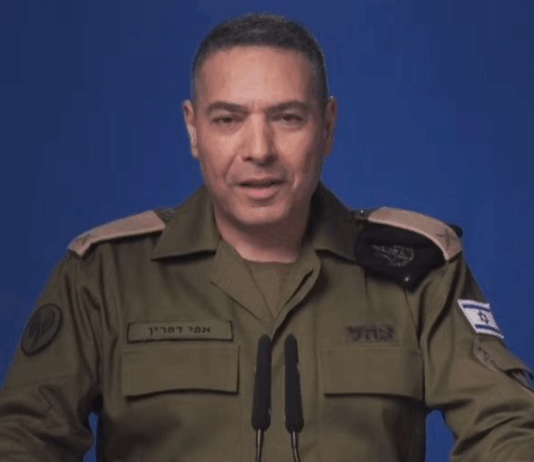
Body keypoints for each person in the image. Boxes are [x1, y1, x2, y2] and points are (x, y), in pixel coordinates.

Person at [1, 12, 533, 462]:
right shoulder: (104, 274)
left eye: (287, 118)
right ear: (193, 129)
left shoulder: (418, 271)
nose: (259, 150)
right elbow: (23, 439)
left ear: (327, 126)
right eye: (228, 119)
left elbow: (507, 427)